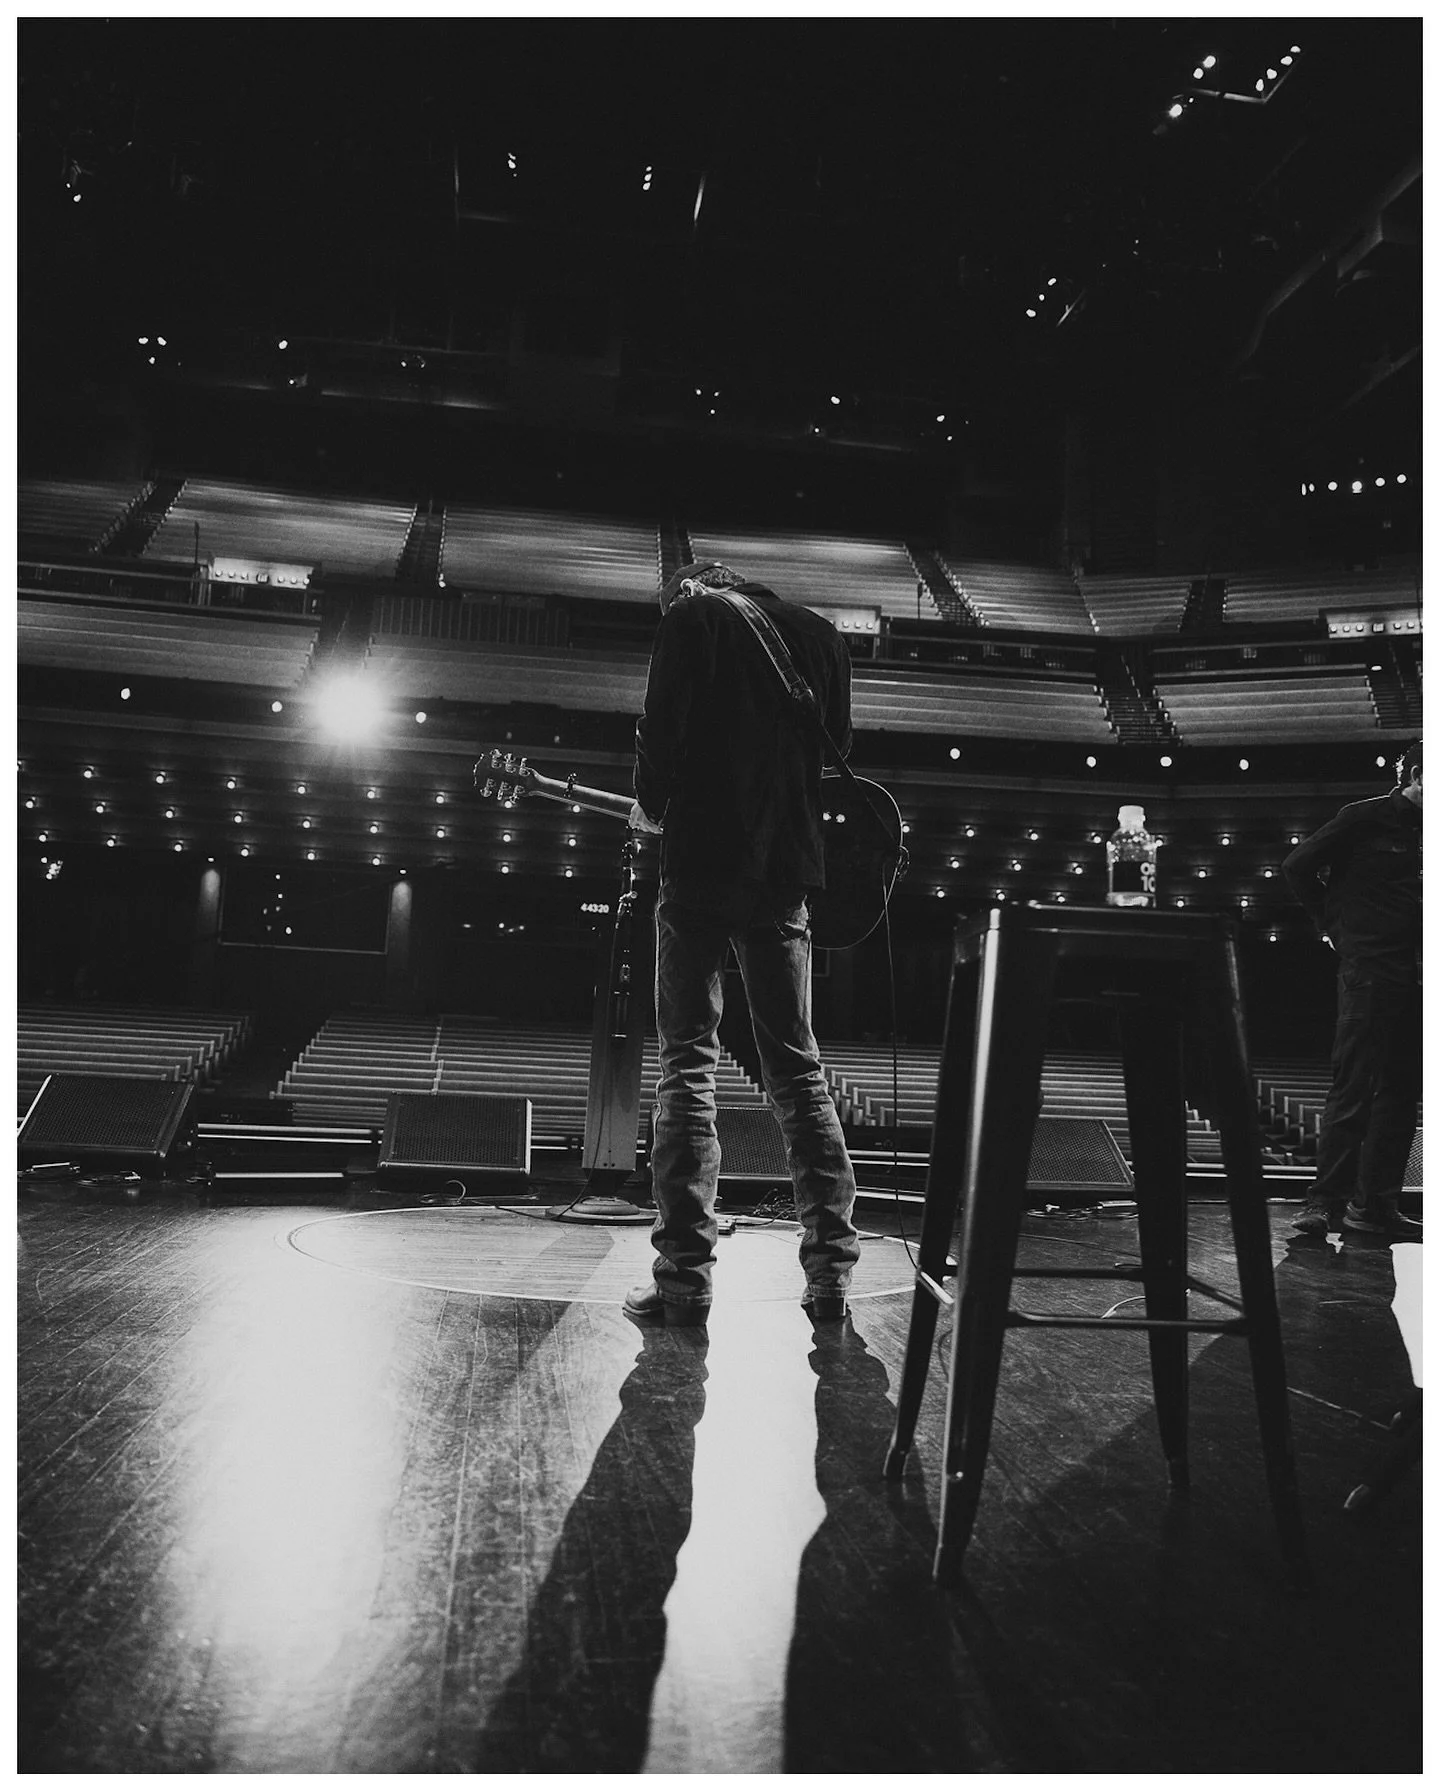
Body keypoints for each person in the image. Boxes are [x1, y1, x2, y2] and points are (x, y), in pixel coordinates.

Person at [623, 561, 861, 1326]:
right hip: (785, 868)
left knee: (687, 1062)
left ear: (690, 588)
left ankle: (683, 1280)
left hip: (699, 865)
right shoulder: (822, 635)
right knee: (798, 1068)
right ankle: (830, 1274)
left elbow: (661, 739)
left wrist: (650, 815)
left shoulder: (689, 621)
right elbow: (837, 746)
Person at [1283, 740, 1422, 1237]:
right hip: (1371, 969)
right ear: (1420, 777)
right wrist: (1334, 926)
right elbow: (1297, 867)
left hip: (1422, 975)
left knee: (1403, 1094)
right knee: (1354, 1087)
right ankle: (1323, 1205)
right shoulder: (1363, 818)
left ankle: (1376, 1207)